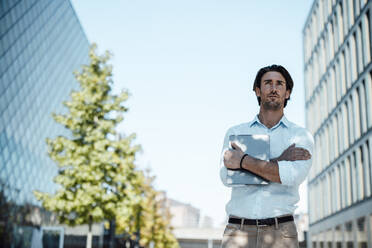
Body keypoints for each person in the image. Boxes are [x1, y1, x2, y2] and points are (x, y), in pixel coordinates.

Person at [220, 64, 314, 248]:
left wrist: (242, 161)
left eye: (279, 84)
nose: (273, 88)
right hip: (237, 232)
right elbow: (227, 177)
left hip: (281, 232)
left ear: (287, 92)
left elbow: (290, 176)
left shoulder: (300, 136)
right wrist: (280, 160)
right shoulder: (236, 132)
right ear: (257, 91)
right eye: (267, 83)